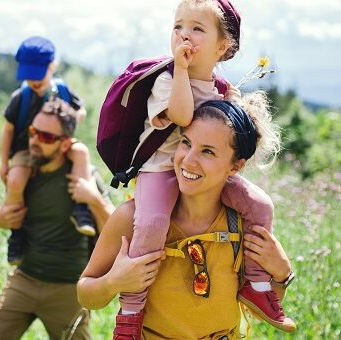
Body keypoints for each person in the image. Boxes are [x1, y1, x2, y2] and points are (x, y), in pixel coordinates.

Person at [111, 0, 293, 335]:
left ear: (223, 46)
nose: (184, 35)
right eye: (178, 26)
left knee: (259, 205)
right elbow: (181, 116)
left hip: (197, 171)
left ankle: (257, 285)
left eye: (197, 29)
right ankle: (132, 310)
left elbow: (231, 135)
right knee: (152, 221)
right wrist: (181, 69)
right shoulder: (166, 79)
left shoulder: (221, 89)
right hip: (161, 168)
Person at [78, 97, 295, 339]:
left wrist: (282, 274)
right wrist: (113, 282)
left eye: (208, 151)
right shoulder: (133, 218)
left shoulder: (245, 223)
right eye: (185, 142)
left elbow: (256, 310)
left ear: (235, 166)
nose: (189, 160)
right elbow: (86, 295)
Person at [0, 98, 116, 339]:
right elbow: (1, 221)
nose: (35, 141)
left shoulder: (83, 176)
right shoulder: (23, 174)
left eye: (46, 137)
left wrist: (94, 199)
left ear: (65, 145)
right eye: (33, 132)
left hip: (69, 289)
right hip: (24, 279)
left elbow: (114, 230)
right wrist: (1, 218)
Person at [0, 36, 97, 266]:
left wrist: (68, 121)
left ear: (52, 66)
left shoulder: (61, 90)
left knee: (80, 153)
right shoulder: (20, 97)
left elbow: (80, 111)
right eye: (28, 76)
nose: (33, 81)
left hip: (58, 142)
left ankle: (82, 208)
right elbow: (8, 130)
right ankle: (17, 232)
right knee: (15, 181)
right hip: (26, 147)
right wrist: (4, 162)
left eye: (38, 74)